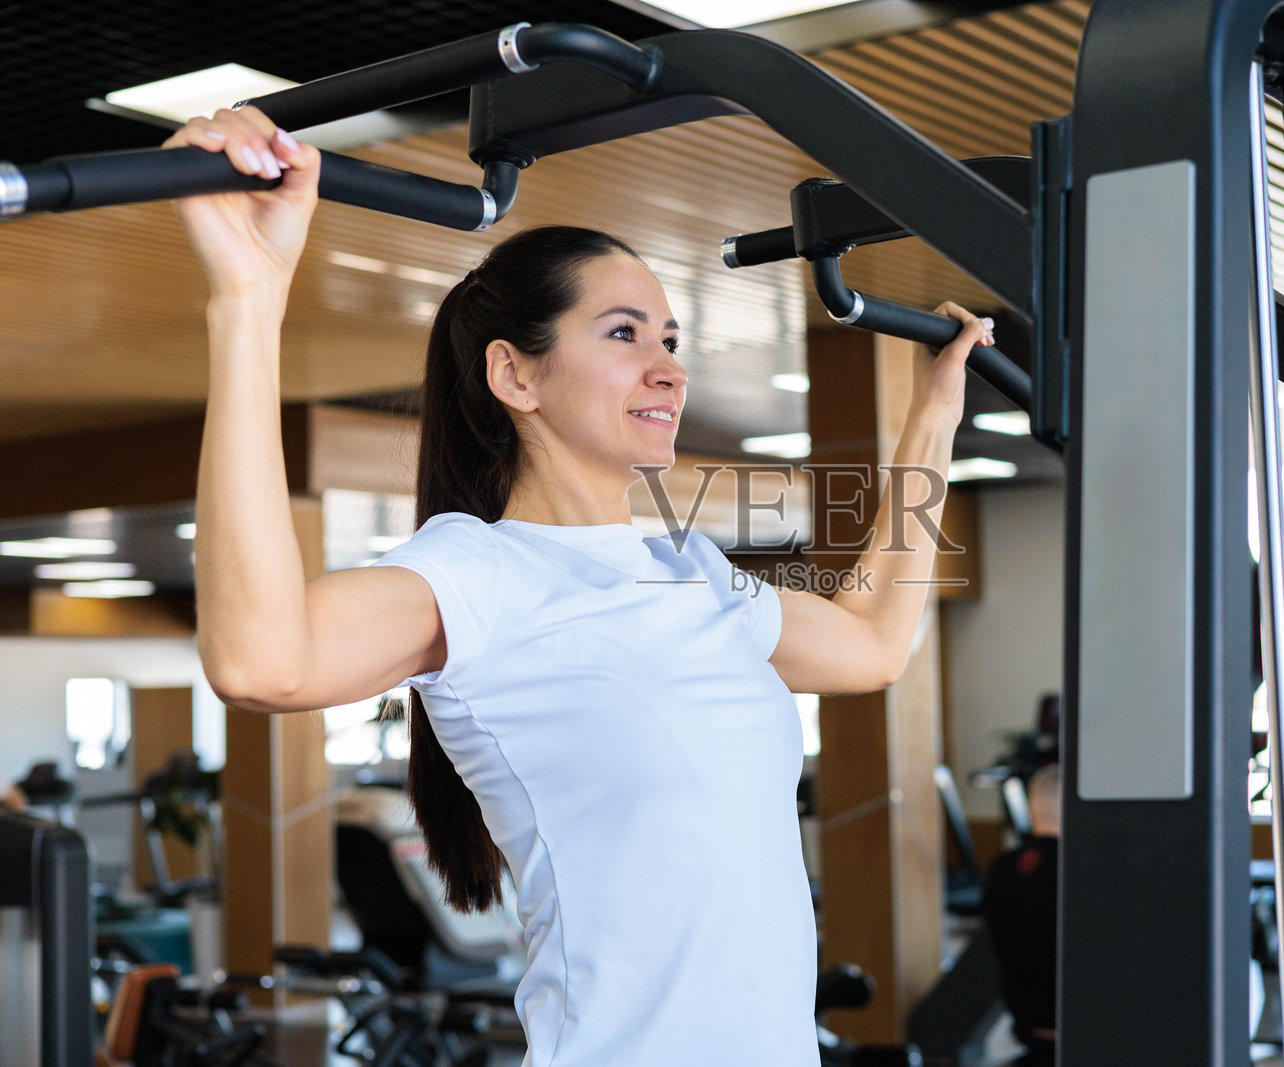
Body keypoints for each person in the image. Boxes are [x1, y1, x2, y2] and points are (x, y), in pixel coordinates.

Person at [163, 104, 993, 1067]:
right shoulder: (478, 572)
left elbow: (875, 645)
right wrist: (247, 301)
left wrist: (934, 416)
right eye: (625, 333)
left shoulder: (691, 570)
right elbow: (261, 659)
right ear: (516, 376)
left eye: (672, 340)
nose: (668, 369)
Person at [981, 761, 1059, 1066]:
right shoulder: (1081, 872)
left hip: (1026, 1024)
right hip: (1073, 1029)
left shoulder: (1002, 869)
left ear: (1030, 809)